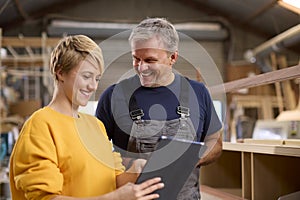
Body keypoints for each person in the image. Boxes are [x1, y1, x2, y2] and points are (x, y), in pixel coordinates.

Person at [9, 35, 164, 200]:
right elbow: (45, 198)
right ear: (60, 72)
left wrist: (136, 170)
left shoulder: (96, 126)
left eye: (97, 78)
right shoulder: (41, 125)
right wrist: (115, 198)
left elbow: (114, 180)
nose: (93, 86)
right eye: (86, 76)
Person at [96, 17, 223, 199]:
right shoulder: (114, 96)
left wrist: (187, 160)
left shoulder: (198, 92)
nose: (141, 67)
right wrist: (128, 164)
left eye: (150, 60)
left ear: (172, 57)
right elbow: (95, 155)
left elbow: (215, 142)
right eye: (136, 59)